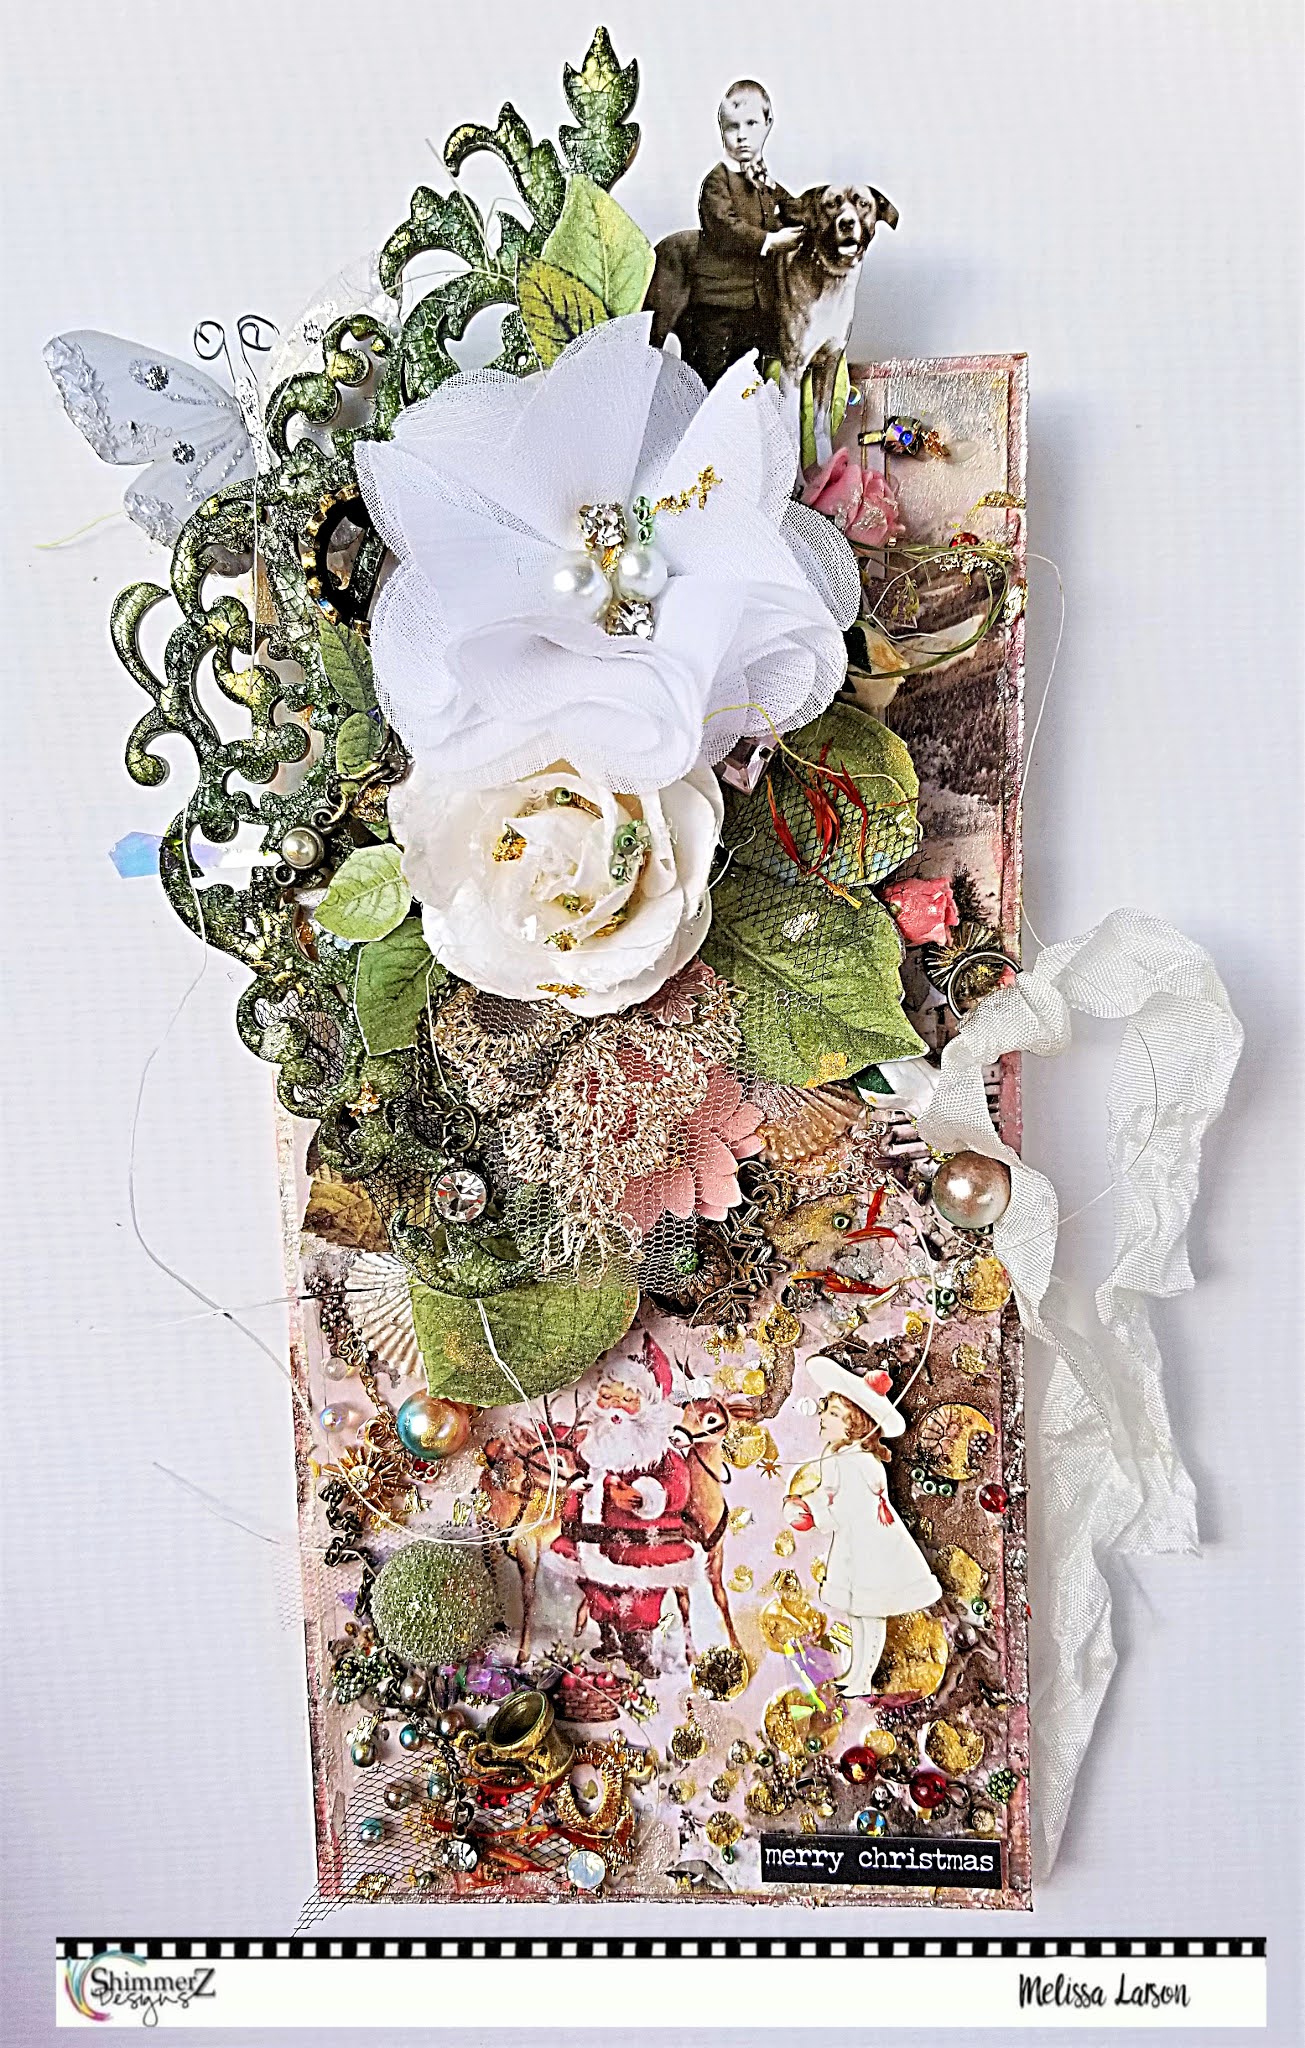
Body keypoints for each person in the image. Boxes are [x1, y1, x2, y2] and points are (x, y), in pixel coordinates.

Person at [784, 1355, 942, 1698]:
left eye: (833, 1413)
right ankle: (856, 1673)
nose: (822, 1416)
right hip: (855, 1545)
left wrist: (813, 1514)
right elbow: (830, 1495)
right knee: (857, 1613)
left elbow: (846, 1507)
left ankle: (863, 1677)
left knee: (870, 1613)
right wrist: (806, 1503)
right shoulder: (838, 1457)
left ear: (854, 1425)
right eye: (826, 1409)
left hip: (872, 1549)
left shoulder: (857, 1462)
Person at [675, 79, 806, 388]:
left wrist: (807, 213)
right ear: (721, 130)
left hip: (756, 307)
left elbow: (794, 209)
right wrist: (771, 241)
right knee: (712, 382)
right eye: (732, 127)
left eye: (751, 124)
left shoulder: (763, 182)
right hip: (718, 306)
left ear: (768, 124)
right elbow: (725, 227)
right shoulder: (717, 182)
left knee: (749, 383)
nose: (742, 135)